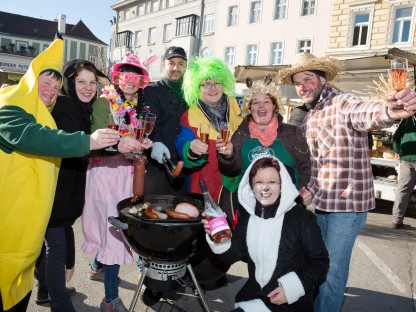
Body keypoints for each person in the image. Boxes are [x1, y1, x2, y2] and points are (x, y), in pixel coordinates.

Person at [278, 52, 416, 312]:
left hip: (346, 208)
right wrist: (306, 188)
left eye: (308, 78)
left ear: (322, 79)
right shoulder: (309, 117)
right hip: (321, 205)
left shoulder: (342, 102)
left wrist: (390, 110)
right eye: (297, 82)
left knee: (332, 272)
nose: (303, 86)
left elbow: (366, 111)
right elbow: (316, 164)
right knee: (317, 265)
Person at [0, 36, 120, 312]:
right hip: (13, 219)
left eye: (56, 85)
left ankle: (47, 293)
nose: (52, 90)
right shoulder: (9, 105)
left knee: (29, 270)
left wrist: (119, 147)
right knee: (52, 258)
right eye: (46, 82)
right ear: (30, 82)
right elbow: (37, 138)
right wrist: (90, 141)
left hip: (31, 215)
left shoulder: (48, 111)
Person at [34, 59, 141, 311]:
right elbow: (78, 145)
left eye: (92, 82)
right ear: (71, 83)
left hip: (69, 185)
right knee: (58, 249)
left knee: (51, 244)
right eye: (81, 81)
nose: (88, 87)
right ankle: (62, 302)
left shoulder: (83, 107)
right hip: (58, 187)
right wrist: (118, 146)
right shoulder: (66, 106)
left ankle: (45, 289)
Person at [203, 156, 329, 311]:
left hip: (291, 303)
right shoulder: (249, 218)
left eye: (272, 182)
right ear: (251, 186)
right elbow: (231, 255)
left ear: (282, 184)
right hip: (255, 297)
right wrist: (219, 237)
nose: (265, 188)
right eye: (259, 182)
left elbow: (320, 263)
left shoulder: (302, 219)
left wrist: (290, 289)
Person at [81, 51, 153, 312]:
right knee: (114, 232)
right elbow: (99, 138)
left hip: (129, 172)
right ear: (117, 77)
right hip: (105, 173)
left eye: (136, 75)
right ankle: (110, 298)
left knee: (123, 224)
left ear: (142, 80)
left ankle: (97, 267)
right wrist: (122, 143)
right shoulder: (104, 102)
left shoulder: (140, 107)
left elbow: (138, 137)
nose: (130, 80)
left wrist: (144, 144)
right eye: (125, 74)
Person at [218, 80, 310, 228]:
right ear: (249, 109)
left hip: (287, 212)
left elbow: (306, 166)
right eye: (255, 102)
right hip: (250, 211)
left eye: (266, 101)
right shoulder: (240, 134)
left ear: (274, 107)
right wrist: (228, 155)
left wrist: (304, 189)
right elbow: (231, 170)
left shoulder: (292, 133)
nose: (261, 106)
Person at [176, 56, 243, 201]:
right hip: (204, 185)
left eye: (217, 83)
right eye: (206, 84)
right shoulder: (189, 115)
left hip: (237, 183)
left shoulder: (238, 107)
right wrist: (191, 148)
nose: (212, 88)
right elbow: (182, 142)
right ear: (196, 88)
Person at [143, 46, 189, 195]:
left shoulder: (191, 93)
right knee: (155, 211)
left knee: (182, 212)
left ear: (186, 67)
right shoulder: (152, 91)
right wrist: (156, 142)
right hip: (158, 164)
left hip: (184, 165)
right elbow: (149, 124)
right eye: (171, 63)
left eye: (181, 63)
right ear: (164, 65)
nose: (176, 67)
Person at [391, 115, 416, 229]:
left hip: (406, 158)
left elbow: (395, 137)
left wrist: (399, 151)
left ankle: (397, 220)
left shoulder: (407, 119)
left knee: (403, 189)